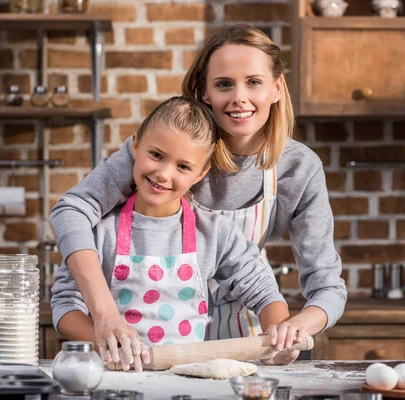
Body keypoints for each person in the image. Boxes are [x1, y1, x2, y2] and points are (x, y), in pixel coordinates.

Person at [50, 23, 347, 365]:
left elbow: (326, 286)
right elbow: (71, 211)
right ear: (205, 92)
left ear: (277, 88)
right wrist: (104, 316)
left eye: (254, 82)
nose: (239, 97)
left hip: (247, 343)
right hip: (142, 348)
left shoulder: (299, 168)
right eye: (224, 84)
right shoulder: (163, 147)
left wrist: (290, 330)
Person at [51, 96, 303, 372]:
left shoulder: (215, 233)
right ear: (135, 146)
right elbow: (65, 304)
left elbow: (265, 293)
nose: (163, 174)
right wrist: (107, 343)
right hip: (113, 379)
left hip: (187, 382)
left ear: (200, 173)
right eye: (156, 155)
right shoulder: (98, 232)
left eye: (183, 166)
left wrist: (280, 334)